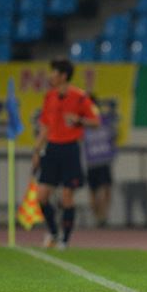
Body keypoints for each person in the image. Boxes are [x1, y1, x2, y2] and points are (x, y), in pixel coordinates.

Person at [32, 58, 100, 249]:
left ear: (63, 76)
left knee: (66, 197)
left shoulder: (80, 97)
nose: (50, 76)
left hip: (70, 149)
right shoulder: (49, 96)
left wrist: (79, 120)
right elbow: (45, 126)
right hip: (52, 148)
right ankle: (53, 231)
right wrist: (37, 150)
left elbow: (96, 121)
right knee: (42, 196)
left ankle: (65, 239)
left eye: (53, 73)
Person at [83, 90, 117, 228]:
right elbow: (113, 136)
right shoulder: (90, 121)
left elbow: (113, 136)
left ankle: (100, 217)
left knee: (100, 191)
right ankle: (100, 218)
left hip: (99, 160)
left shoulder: (97, 120)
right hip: (96, 160)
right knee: (100, 191)